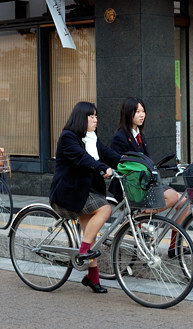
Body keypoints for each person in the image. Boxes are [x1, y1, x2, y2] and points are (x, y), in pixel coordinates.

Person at [49, 101, 121, 294]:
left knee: (90, 235)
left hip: (85, 192)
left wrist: (128, 163)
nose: (96, 120)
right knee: (105, 209)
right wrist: (101, 167)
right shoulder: (68, 137)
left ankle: (92, 278)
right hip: (68, 193)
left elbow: (110, 154)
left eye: (96, 116)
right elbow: (82, 158)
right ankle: (83, 252)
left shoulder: (91, 138)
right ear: (82, 118)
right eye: (91, 116)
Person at [109, 97, 190, 258]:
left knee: (184, 204)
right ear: (128, 113)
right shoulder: (120, 137)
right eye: (137, 111)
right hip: (132, 187)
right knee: (174, 197)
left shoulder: (140, 135)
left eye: (143, 111)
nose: (142, 115)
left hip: (146, 183)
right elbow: (118, 164)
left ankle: (175, 246)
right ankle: (138, 219)